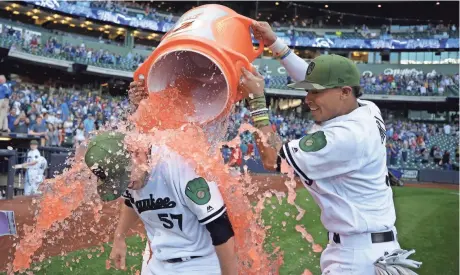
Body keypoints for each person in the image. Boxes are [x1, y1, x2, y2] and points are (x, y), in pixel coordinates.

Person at [237, 21, 422, 275]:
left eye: (316, 93)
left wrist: (257, 101)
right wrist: (274, 43)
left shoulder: (345, 137)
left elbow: (271, 158)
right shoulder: (366, 108)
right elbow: (311, 77)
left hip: (357, 258)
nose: (307, 99)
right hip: (370, 248)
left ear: (345, 92)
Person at [84, 132, 237, 275]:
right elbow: (132, 201)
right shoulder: (133, 174)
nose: (126, 185)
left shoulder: (180, 166)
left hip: (200, 264)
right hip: (158, 264)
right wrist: (119, 236)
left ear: (136, 153)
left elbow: (220, 228)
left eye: (124, 178)